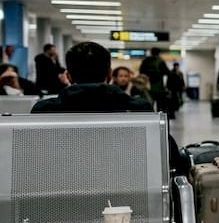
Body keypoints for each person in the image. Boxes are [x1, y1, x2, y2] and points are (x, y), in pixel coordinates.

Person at [34, 42, 190, 178]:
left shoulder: (45, 111)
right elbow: (169, 157)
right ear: (109, 75)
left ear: (68, 76)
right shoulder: (138, 110)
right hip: (130, 203)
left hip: (57, 201)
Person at [138, 48, 170, 118]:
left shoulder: (146, 60)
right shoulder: (161, 61)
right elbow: (167, 72)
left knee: (148, 104)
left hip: (147, 87)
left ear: (151, 52)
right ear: (158, 53)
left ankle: (148, 119)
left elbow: (141, 71)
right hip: (159, 87)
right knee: (161, 107)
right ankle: (160, 120)